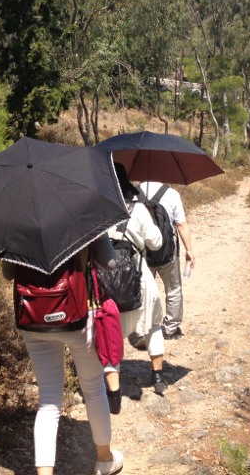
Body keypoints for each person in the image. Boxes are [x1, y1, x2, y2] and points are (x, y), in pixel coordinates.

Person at [2, 236, 124, 475]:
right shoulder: (84, 216)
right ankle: (104, 459)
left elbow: (8, 274)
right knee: (93, 389)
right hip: (79, 315)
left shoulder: (16, 223)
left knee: (49, 401)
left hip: (33, 318)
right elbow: (110, 262)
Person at [102, 163, 167, 412]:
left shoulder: (98, 209)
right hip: (138, 277)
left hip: (106, 280)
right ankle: (158, 376)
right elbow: (156, 243)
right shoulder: (138, 209)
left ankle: (113, 392)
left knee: (110, 333)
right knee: (152, 324)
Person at [138, 181, 195, 340]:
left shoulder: (133, 194)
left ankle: (146, 328)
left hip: (142, 251)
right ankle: (171, 329)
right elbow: (181, 224)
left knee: (143, 290)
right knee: (173, 289)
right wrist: (189, 250)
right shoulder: (172, 194)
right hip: (167, 252)